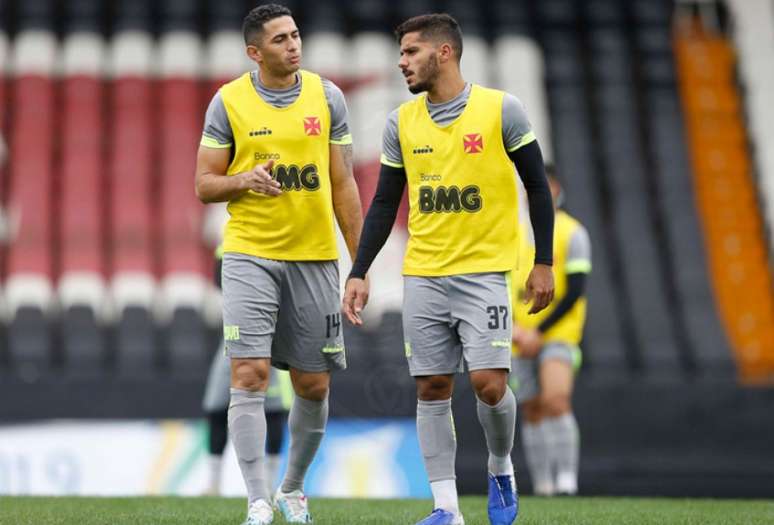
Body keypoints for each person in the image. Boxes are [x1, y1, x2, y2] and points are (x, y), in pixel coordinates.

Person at [342, 13, 555, 525]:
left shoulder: (503, 110)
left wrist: (543, 261)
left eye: (411, 52)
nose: (402, 62)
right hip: (424, 275)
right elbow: (384, 201)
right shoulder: (400, 122)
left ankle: (500, 467)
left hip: (484, 272)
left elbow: (537, 188)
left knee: (488, 384)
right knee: (431, 387)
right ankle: (446, 509)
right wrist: (359, 269)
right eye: (400, 54)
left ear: (444, 53)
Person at [194, 4, 364, 524]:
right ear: (255, 52)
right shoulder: (228, 102)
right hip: (250, 252)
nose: (293, 45)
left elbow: (343, 184)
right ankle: (257, 502)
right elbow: (204, 184)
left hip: (314, 258)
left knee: (314, 384)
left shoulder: (327, 96)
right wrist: (242, 180)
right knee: (249, 372)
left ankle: (293, 488)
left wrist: (360, 266)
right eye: (280, 40)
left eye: (295, 35)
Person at [510, 168, 590, 497]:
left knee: (556, 399)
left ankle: (567, 480)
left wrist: (538, 331)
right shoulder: (511, 234)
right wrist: (514, 329)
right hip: (517, 339)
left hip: (558, 336)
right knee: (531, 408)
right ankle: (543, 484)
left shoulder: (573, 233)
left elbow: (575, 292)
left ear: (557, 189)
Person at [201, 235, 293, 497]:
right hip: (235, 331)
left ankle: (271, 486)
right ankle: (213, 485)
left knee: (274, 410)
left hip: (274, 332)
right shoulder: (231, 239)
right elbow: (221, 280)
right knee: (216, 407)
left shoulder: (283, 236)